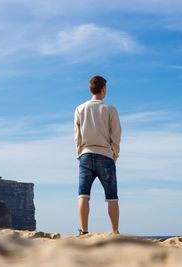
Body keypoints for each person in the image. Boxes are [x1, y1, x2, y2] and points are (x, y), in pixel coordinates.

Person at [74, 75, 121, 235]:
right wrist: (114, 154)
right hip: (105, 155)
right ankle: (114, 231)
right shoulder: (110, 109)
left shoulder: (80, 109)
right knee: (112, 196)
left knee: (83, 194)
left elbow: (77, 135)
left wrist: (79, 153)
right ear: (103, 89)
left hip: (86, 154)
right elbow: (116, 134)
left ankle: (84, 231)